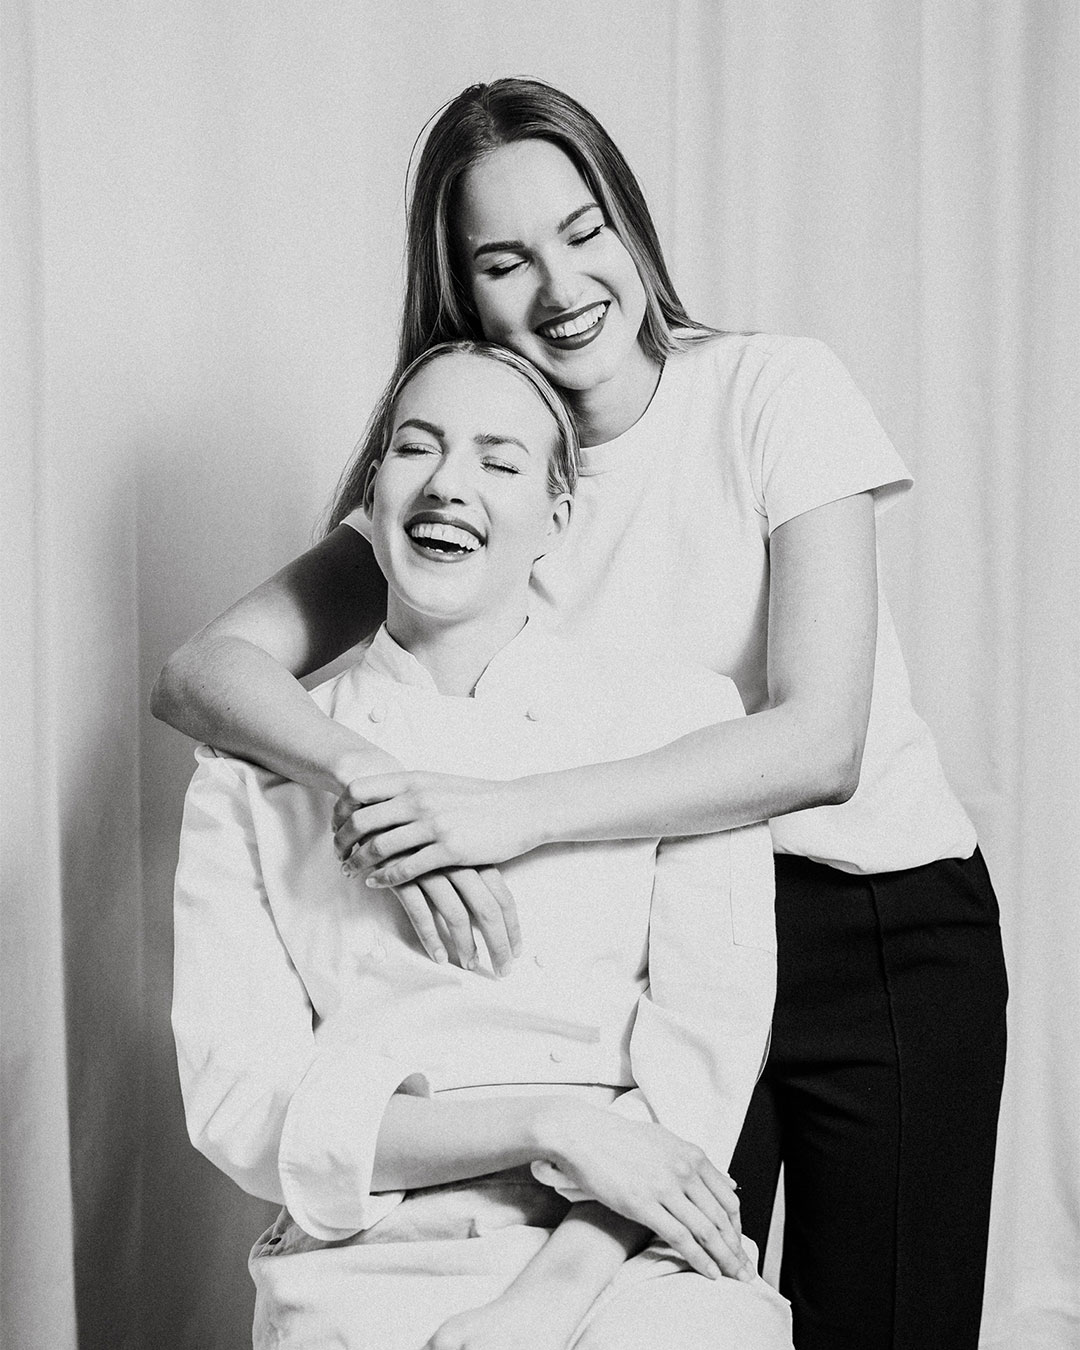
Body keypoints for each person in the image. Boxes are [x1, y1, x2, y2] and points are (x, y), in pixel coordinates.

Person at [154, 79, 1008, 1350]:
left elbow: (819, 743)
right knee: (660, 1289)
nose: (561, 286)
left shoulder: (772, 390)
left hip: (869, 928)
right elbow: (201, 678)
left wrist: (508, 814)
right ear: (461, 292)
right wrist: (372, 779)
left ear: (630, 223)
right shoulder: (475, 473)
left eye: (583, 230)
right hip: (654, 949)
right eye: (505, 262)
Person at [172, 340, 792, 1350]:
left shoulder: (682, 726)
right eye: (417, 448)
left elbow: (706, 1054)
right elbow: (241, 1105)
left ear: (557, 519)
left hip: (626, 1242)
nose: (449, 483)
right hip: (365, 1248)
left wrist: (542, 1304)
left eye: (499, 460)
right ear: (373, 496)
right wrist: (551, 1126)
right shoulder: (251, 775)